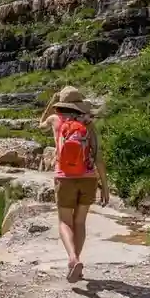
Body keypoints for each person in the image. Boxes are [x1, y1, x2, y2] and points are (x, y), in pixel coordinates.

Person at [39, 86, 110, 283]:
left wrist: (49, 104)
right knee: (80, 222)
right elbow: (98, 157)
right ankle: (77, 262)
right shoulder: (88, 123)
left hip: (64, 177)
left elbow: (40, 125)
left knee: (64, 221)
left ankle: (72, 259)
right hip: (88, 178)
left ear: (60, 104)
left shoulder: (55, 120)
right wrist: (104, 186)